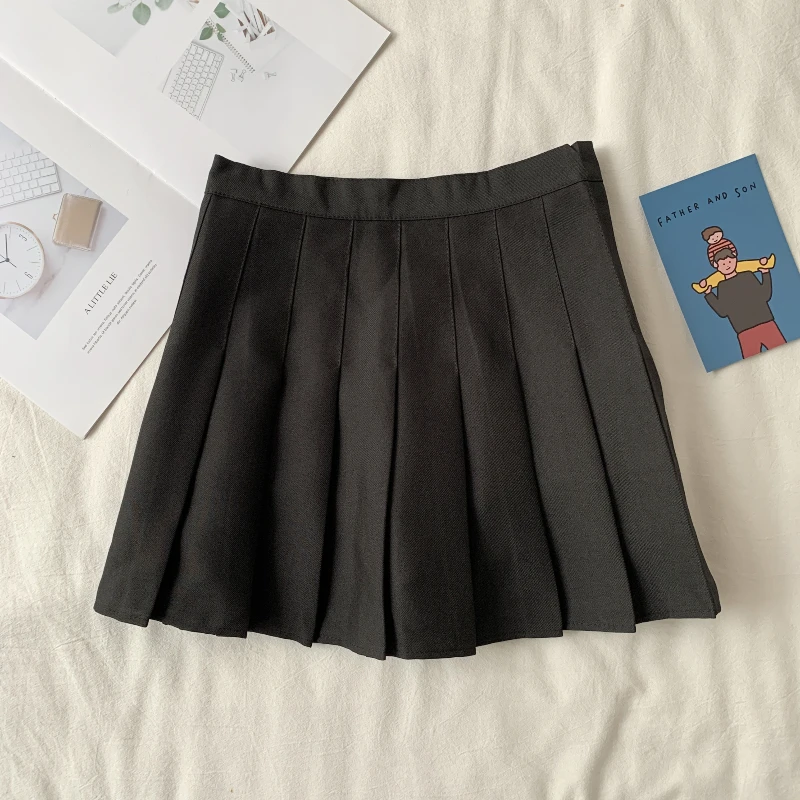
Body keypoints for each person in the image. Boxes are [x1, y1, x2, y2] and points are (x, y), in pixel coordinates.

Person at [703, 247, 786, 358]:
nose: (727, 265)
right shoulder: (722, 287)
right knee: (752, 362)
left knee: (785, 352)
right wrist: (709, 294)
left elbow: (764, 294)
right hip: (745, 332)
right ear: (716, 265)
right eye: (723, 263)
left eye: (729, 261)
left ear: (735, 259)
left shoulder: (747, 276)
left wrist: (765, 273)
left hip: (766, 324)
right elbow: (722, 311)